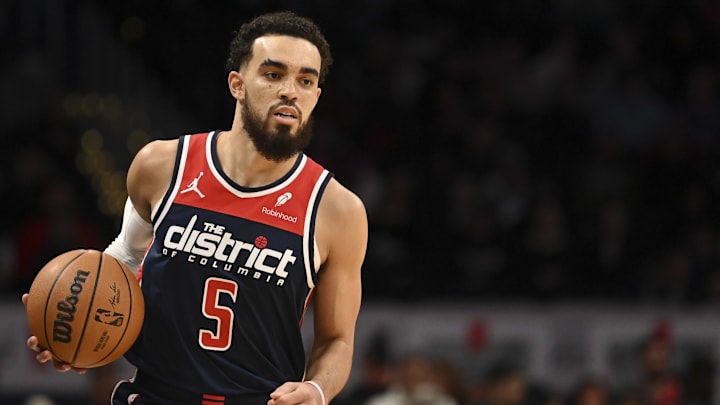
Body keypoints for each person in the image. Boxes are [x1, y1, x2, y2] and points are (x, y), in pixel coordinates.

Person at [23, 10, 368, 405]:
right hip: (156, 395)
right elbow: (125, 257)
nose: (291, 90)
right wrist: (73, 319)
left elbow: (337, 340)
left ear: (316, 96)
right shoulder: (160, 166)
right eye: (273, 75)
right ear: (237, 84)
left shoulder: (338, 211)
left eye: (306, 80)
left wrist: (318, 389)